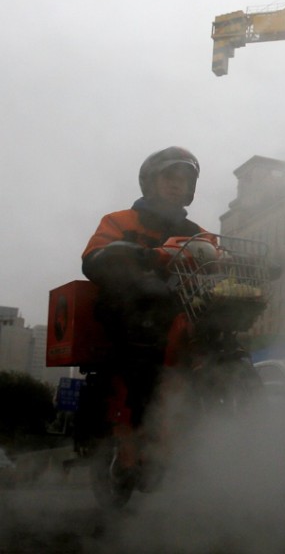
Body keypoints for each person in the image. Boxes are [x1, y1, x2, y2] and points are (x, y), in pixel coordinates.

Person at [79, 147, 209, 458]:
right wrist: (133, 270)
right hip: (130, 309)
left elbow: (220, 259)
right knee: (145, 351)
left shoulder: (198, 234)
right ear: (150, 181)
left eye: (185, 179)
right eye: (170, 176)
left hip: (182, 308)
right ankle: (140, 431)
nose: (178, 184)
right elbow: (93, 257)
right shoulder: (120, 220)